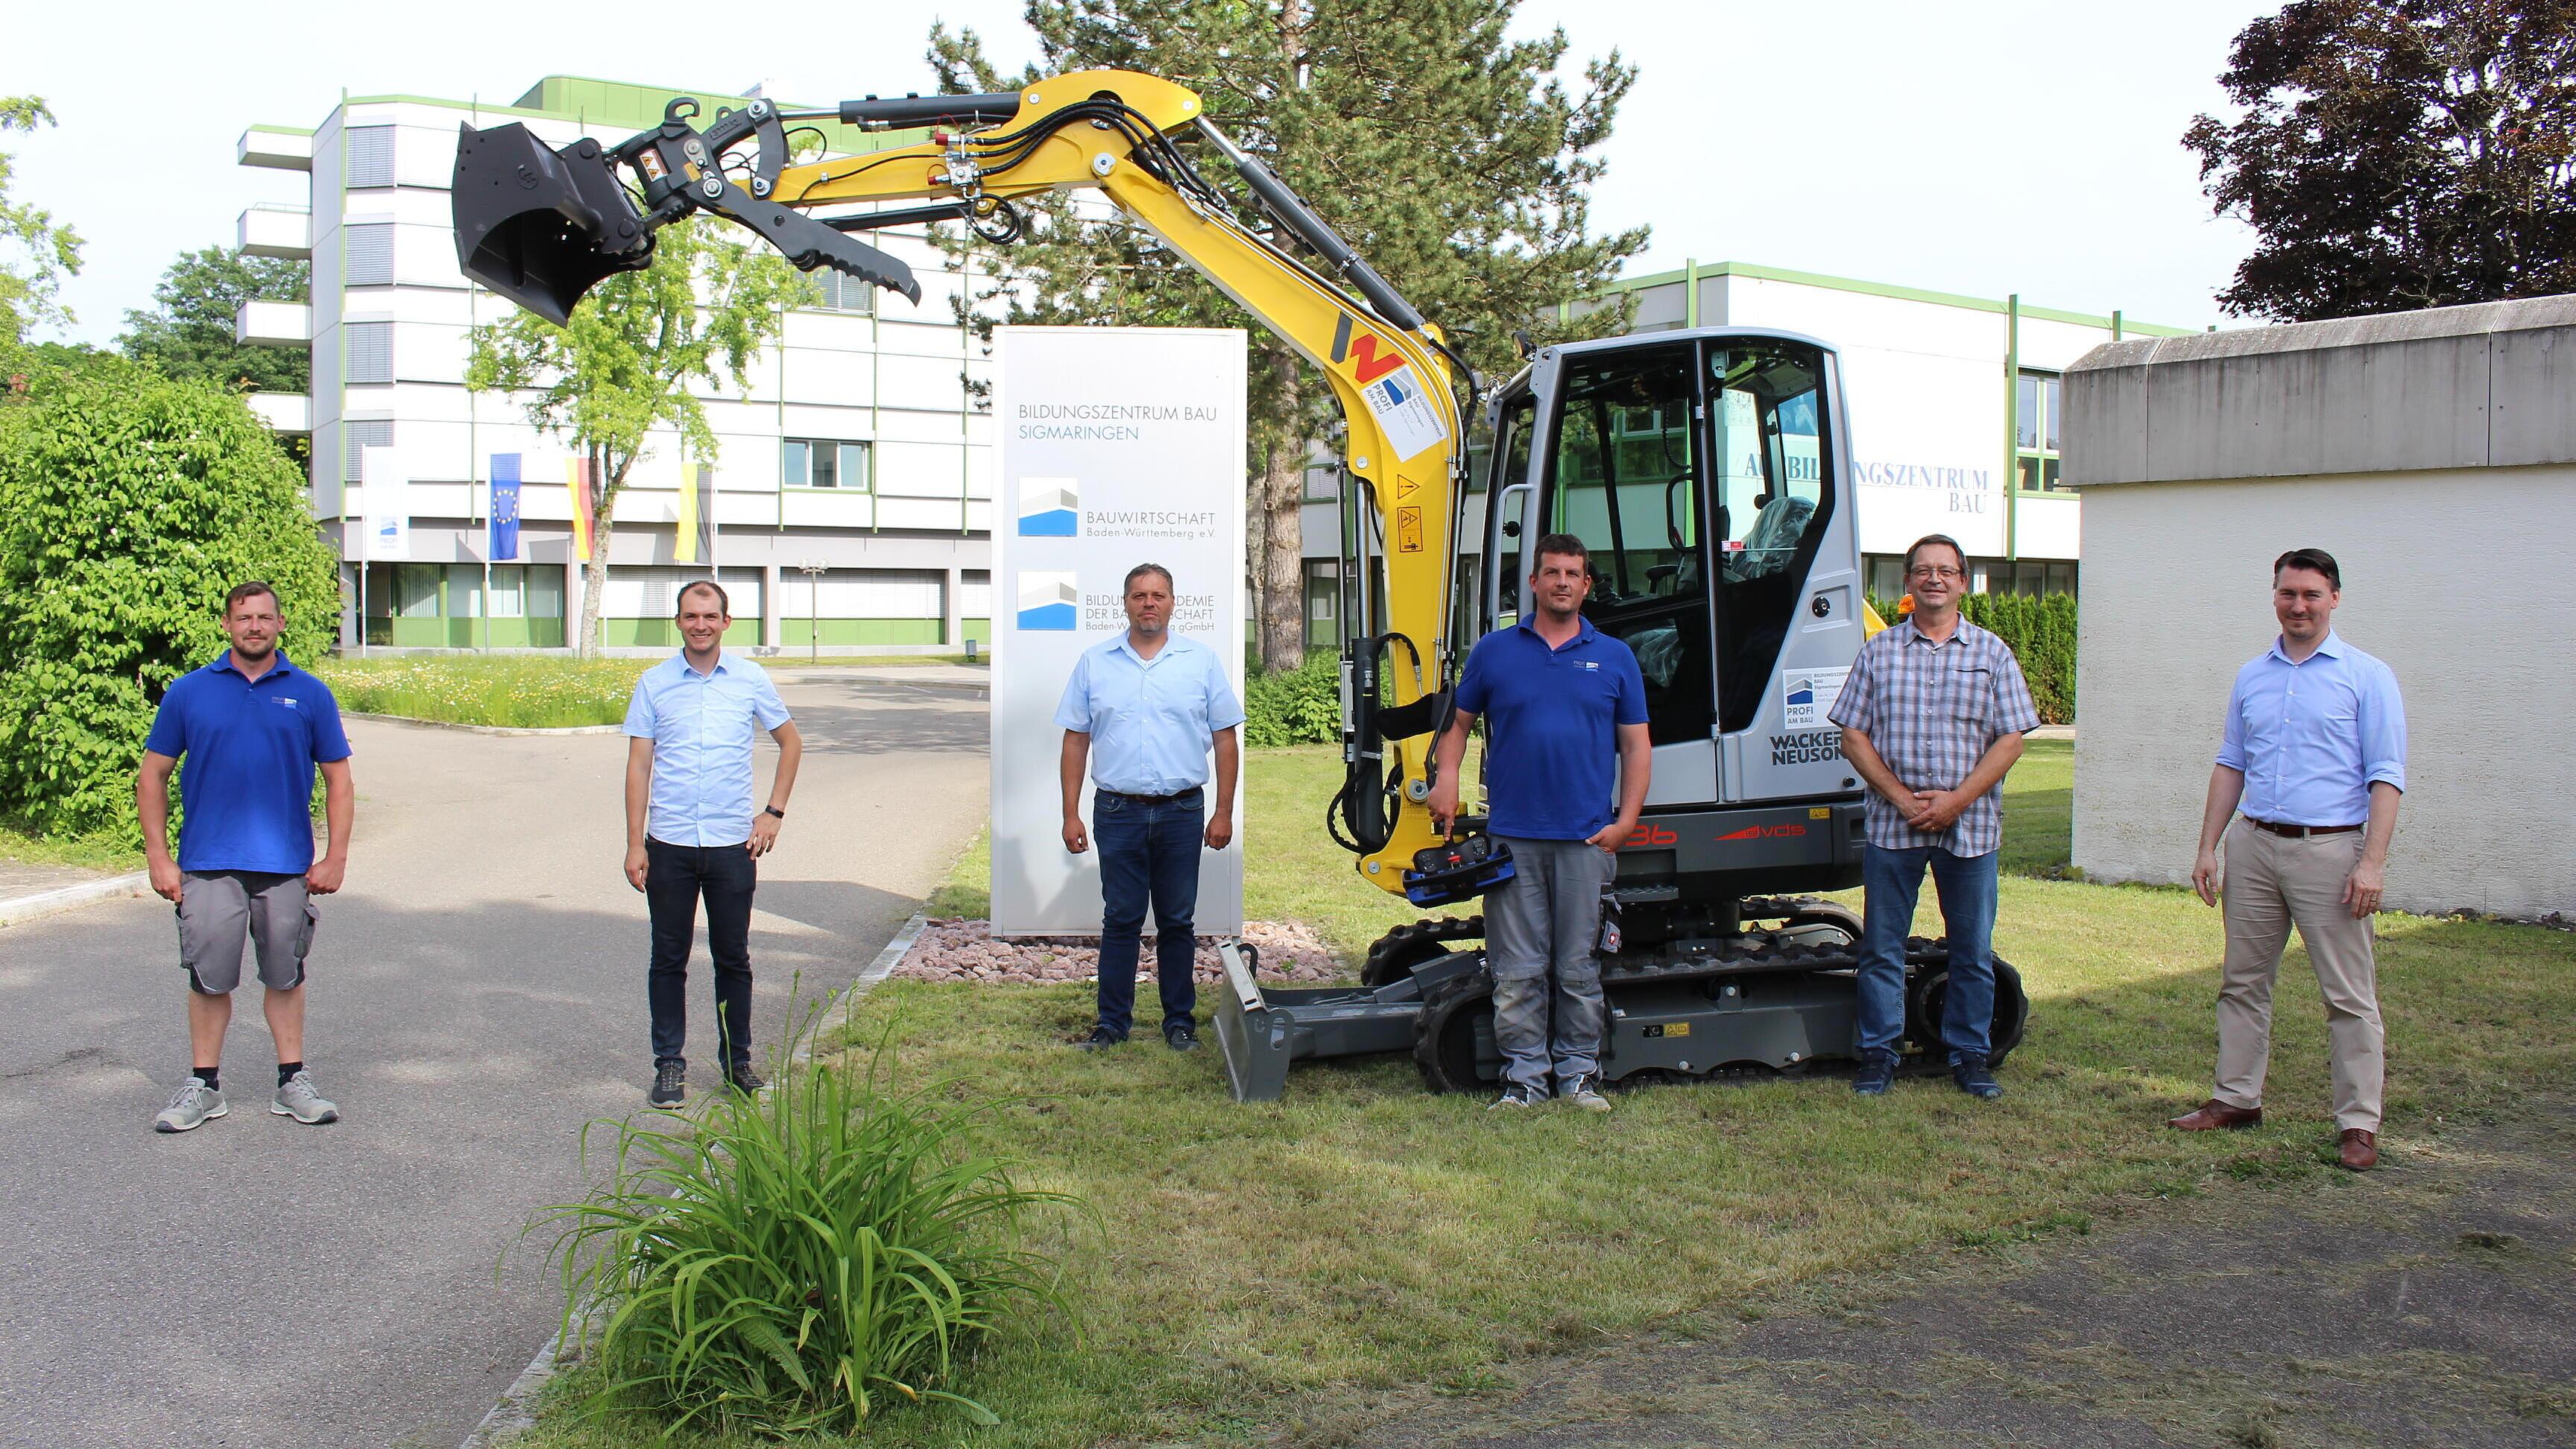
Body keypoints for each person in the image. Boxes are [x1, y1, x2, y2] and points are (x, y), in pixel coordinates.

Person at [2173, 548, 2405, 1172]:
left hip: (2330, 852)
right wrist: (2208, 846)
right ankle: (2236, 1098)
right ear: (2274, 596)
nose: (2298, 606)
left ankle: (2358, 1124)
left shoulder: (2367, 676)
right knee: (2242, 982)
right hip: (2254, 846)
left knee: (2348, 995)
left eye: (2311, 594)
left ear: (2334, 599)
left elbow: (2387, 776)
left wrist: (2372, 863)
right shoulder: (2253, 676)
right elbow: (2231, 763)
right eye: (2288, 593)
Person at [1428, 534, 1650, 1112]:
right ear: (1534, 582)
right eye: (1552, 572)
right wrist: (1446, 778)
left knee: (1578, 968)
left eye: (1573, 574)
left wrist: (1626, 821)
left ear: (1586, 585)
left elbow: (1637, 745)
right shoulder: (1495, 651)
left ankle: (1578, 1077)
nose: (1562, 582)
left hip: (1586, 838)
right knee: (1517, 970)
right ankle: (1524, 1080)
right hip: (1513, 839)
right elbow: (1458, 725)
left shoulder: (1616, 657)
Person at [1830, 534, 2039, 1100]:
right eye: (1923, 570)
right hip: (1892, 827)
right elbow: (1853, 736)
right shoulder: (1879, 652)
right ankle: (1880, 1053)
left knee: (1971, 949)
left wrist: (1956, 801)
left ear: (1963, 582)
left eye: (1946, 571)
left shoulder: (1992, 653)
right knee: (1882, 947)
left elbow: (2011, 741)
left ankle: (1969, 1055)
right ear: (1908, 582)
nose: (1934, 579)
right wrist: (1901, 798)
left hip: (1970, 829)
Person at [141, 581, 356, 1133]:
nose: (254, 627)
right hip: (208, 862)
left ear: (280, 624)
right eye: (243, 618)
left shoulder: (310, 694)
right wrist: (159, 858)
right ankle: (204, 1086)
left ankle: (293, 1082)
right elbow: (153, 776)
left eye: (264, 617)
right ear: (226, 625)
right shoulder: (189, 692)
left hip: (285, 864)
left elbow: (339, 780)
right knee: (209, 979)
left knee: (285, 975)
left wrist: (335, 857)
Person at [622, 580, 803, 1108]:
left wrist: (774, 813)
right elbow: (639, 765)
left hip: (731, 846)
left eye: (709, 616)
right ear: (678, 622)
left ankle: (737, 1064)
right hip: (670, 844)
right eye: (690, 616)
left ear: (726, 622)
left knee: (733, 958)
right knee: (668, 958)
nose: (699, 625)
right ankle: (669, 1065)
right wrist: (635, 844)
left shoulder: (749, 679)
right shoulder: (655, 683)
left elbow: (790, 741)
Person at [1056, 564, 1243, 1052]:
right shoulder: (1095, 663)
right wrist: (1070, 813)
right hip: (1117, 812)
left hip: (1182, 812)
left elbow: (1226, 739)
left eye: (1158, 595)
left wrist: (1223, 812)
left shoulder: (1200, 662)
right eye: (1139, 595)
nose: (1149, 604)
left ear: (1172, 602)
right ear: (1125, 603)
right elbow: (1075, 740)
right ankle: (1111, 1025)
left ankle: (1179, 1023)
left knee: (1178, 920)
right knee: (1121, 918)